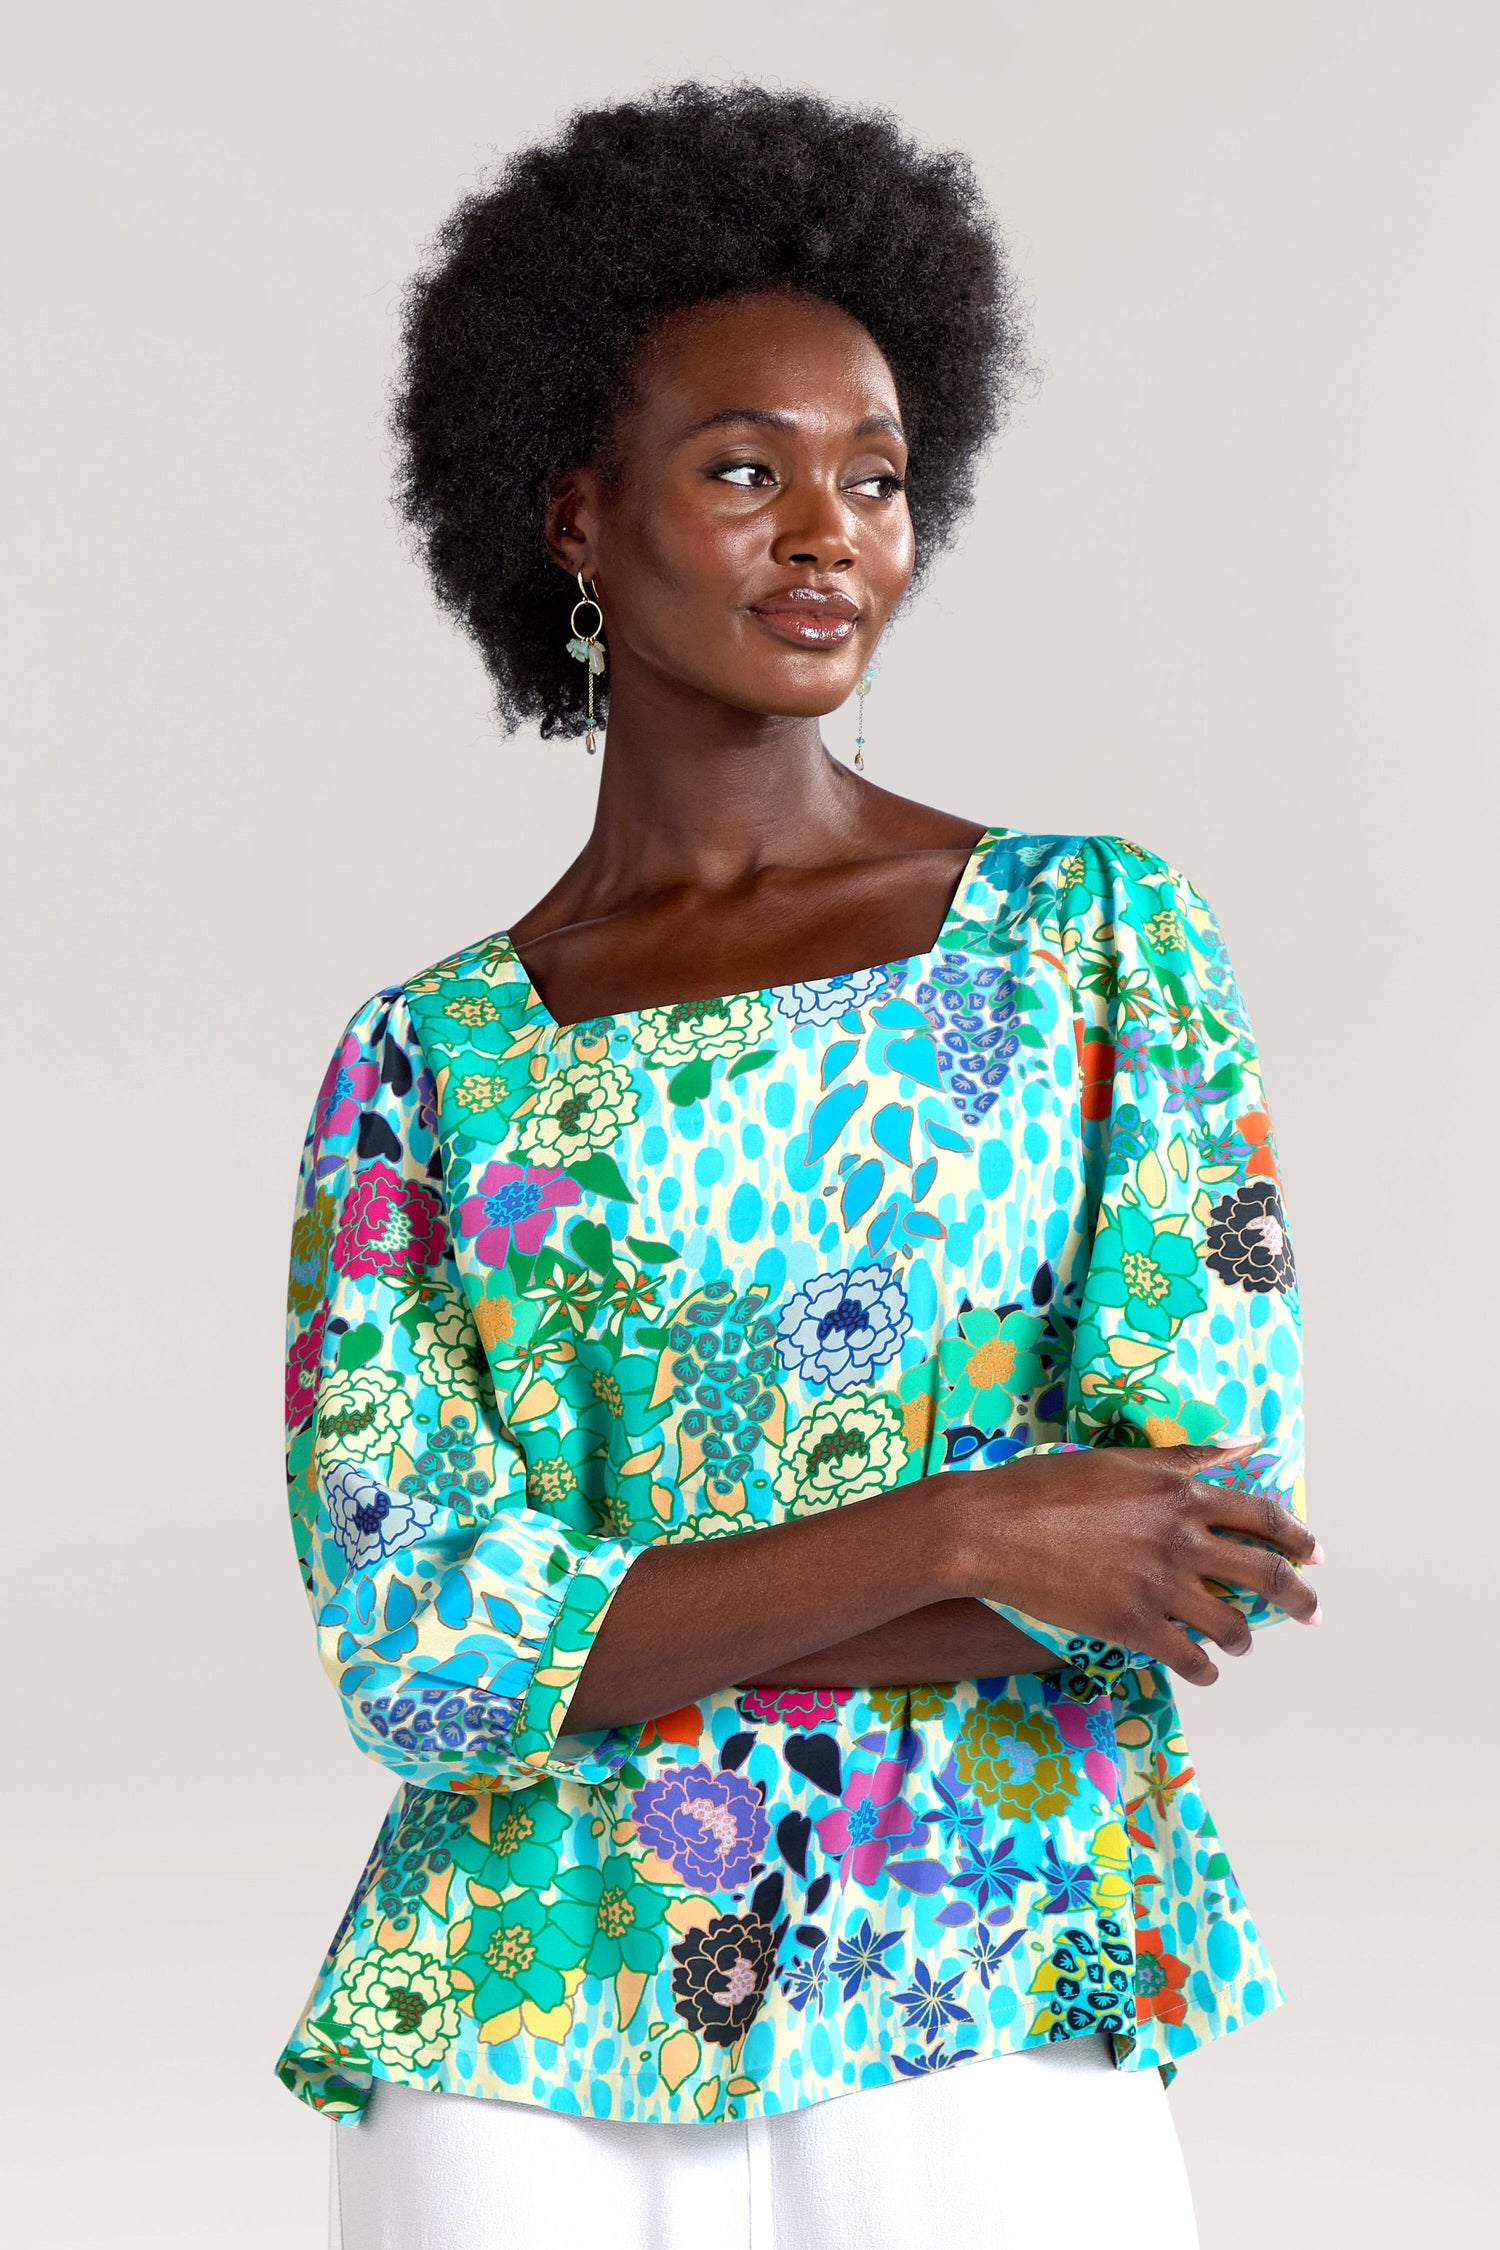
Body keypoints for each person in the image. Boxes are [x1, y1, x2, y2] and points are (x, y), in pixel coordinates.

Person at [279, 83, 1321, 2250]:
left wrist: (620, 1623)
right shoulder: (430, 1068)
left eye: (876, 476)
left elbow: (1185, 1533)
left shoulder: (1092, 946)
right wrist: (967, 1530)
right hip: (511, 2027)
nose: (826, 532)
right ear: (574, 515)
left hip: (989, 1946)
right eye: (744, 471)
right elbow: (418, 1652)